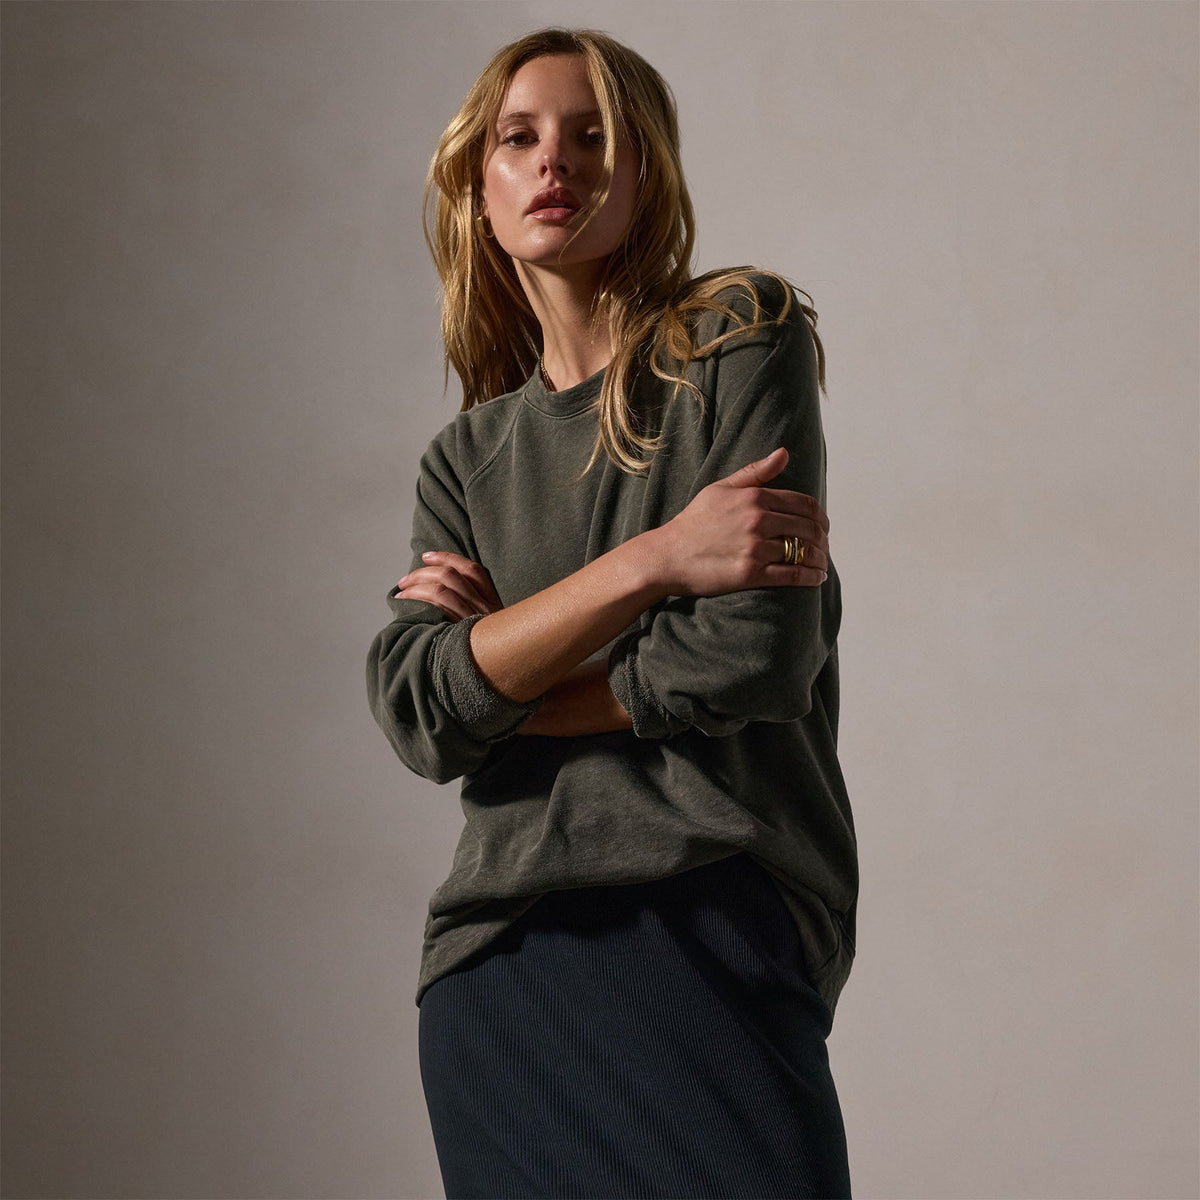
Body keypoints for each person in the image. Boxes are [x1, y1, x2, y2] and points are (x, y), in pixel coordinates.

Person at [367, 27, 858, 1200]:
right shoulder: (464, 463)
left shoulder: (739, 338)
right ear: (478, 191)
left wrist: (509, 677)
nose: (557, 162)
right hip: (498, 963)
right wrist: (656, 560)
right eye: (520, 138)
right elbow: (420, 711)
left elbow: (752, 655)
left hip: (709, 909)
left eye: (595, 137)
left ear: (647, 176)